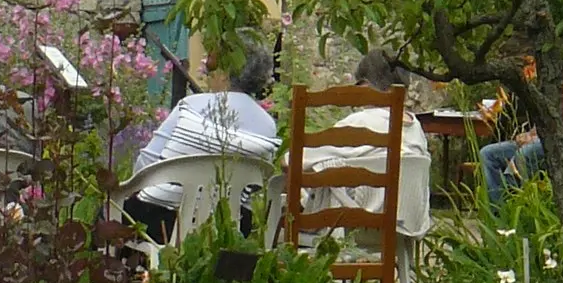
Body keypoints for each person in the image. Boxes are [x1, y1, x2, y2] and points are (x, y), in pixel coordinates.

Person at [123, 48, 279, 241]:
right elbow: (256, 183)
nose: (209, 74)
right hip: (230, 229)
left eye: (213, 69)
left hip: (167, 223)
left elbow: (145, 165)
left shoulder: (190, 106)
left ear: (225, 74)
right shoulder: (268, 125)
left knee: (112, 210)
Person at [300, 49, 432, 242]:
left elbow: (294, 161)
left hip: (357, 227)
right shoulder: (416, 129)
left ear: (365, 86)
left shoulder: (362, 122)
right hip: (404, 228)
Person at [480, 68, 563, 211]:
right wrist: (528, 135)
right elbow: (542, 124)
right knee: (488, 153)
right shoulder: (547, 88)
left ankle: (519, 206)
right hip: (541, 141)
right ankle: (499, 212)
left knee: (525, 153)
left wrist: (544, 135)